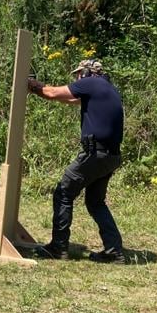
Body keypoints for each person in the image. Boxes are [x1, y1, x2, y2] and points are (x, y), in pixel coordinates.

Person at [27, 58, 124, 262]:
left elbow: (53, 93)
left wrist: (31, 85)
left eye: (78, 74)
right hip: (110, 156)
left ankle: (58, 247)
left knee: (63, 193)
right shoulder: (107, 89)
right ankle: (114, 250)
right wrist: (41, 91)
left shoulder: (91, 83)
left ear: (87, 73)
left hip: (94, 155)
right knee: (95, 202)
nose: (77, 79)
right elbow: (67, 99)